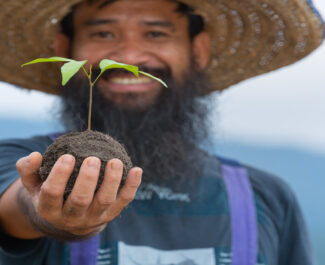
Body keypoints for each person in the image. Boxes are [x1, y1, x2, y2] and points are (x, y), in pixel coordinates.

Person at [0, 0, 324, 264]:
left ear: (198, 51)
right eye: (103, 34)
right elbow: (20, 206)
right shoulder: (20, 160)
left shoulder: (266, 197)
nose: (128, 57)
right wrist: (49, 213)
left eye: (155, 34)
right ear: (65, 51)